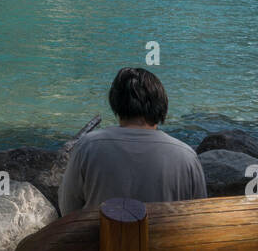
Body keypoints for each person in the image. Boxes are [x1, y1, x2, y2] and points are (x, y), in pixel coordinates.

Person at [59, 67, 206, 216]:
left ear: (115, 102)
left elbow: (68, 210)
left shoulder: (87, 147)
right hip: (165, 239)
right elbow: (198, 217)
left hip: (102, 239)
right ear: (162, 105)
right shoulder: (186, 156)